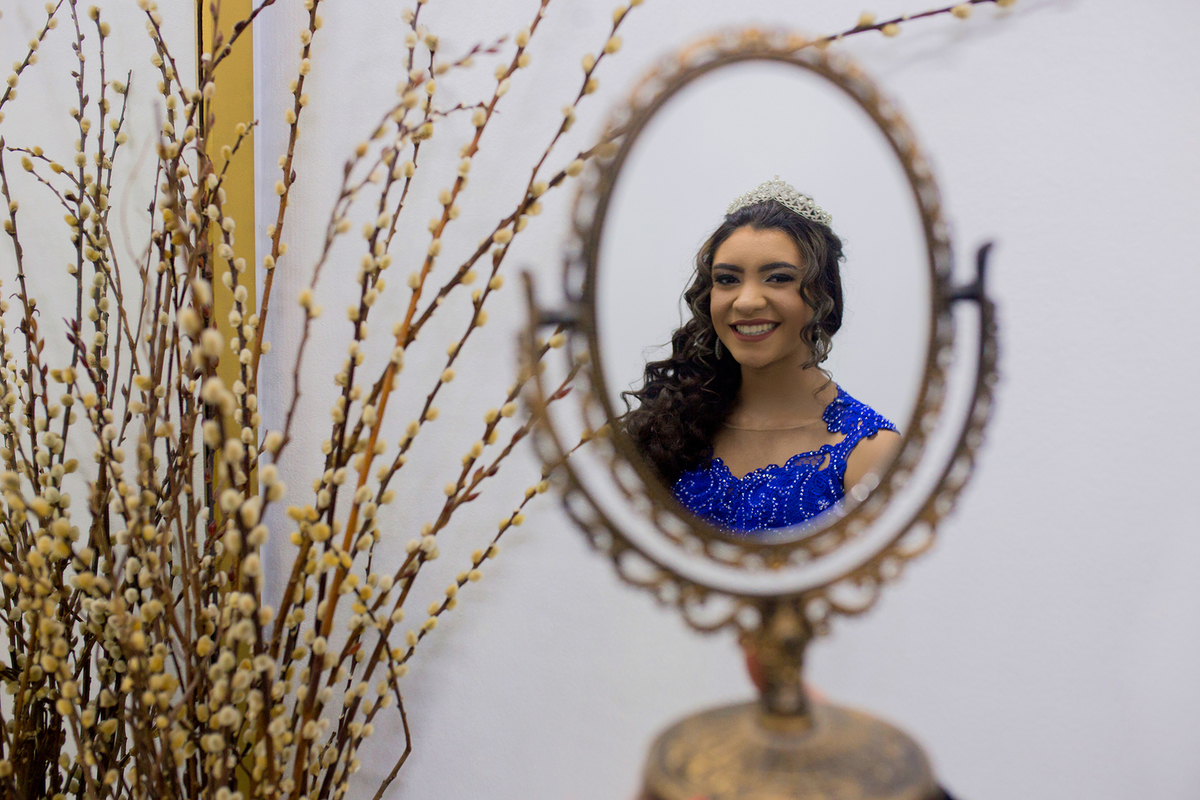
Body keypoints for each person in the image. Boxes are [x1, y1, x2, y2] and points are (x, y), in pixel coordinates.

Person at [622, 177, 900, 535]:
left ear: (822, 295)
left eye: (778, 278)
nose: (747, 301)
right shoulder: (670, 426)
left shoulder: (870, 452)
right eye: (727, 280)